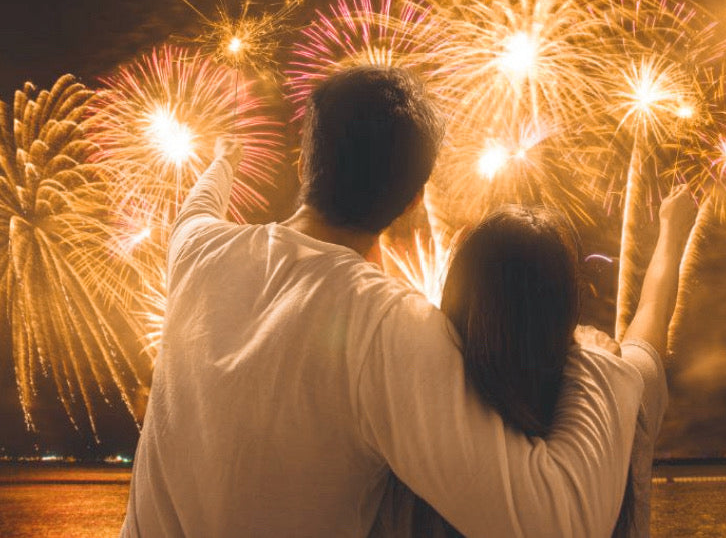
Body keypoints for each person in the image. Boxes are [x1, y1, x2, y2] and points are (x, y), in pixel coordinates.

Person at [121, 66, 646, 538]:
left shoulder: (196, 248)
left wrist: (224, 161)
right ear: (415, 199)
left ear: (305, 163)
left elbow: (200, 202)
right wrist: (597, 362)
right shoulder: (388, 326)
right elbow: (559, 522)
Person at [372, 189, 696, 538]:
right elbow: (653, 310)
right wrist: (671, 230)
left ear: (457, 296)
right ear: (567, 304)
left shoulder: (418, 425)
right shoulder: (622, 399)